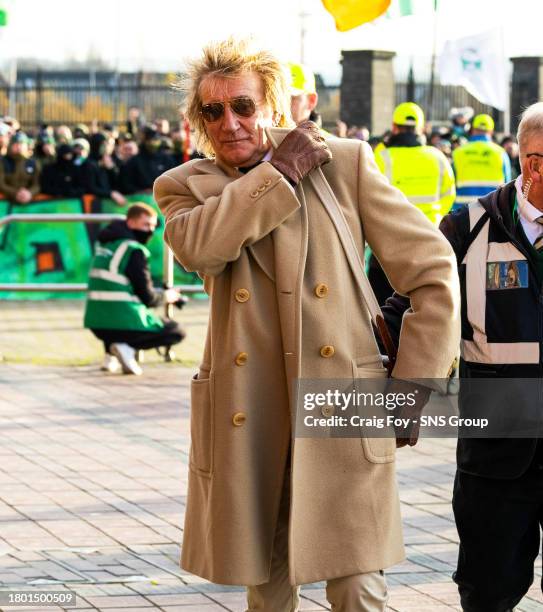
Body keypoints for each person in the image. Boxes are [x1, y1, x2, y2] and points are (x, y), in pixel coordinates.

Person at [153, 37, 459, 611]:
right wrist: (278, 173)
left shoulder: (344, 163)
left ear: (270, 105)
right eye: (213, 111)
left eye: (242, 105)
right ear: (198, 120)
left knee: (357, 586)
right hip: (250, 411)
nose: (230, 122)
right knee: (267, 589)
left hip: (345, 402)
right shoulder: (182, 187)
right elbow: (202, 247)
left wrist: (416, 383)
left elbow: (434, 271)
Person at [382, 101, 543, 612]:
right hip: (497, 449)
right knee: (488, 586)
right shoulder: (468, 228)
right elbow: (402, 307)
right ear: (533, 164)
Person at [83, 202, 185, 375]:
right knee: (175, 331)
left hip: (95, 323)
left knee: (113, 311)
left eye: (153, 226)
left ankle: (110, 355)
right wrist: (168, 296)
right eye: (145, 224)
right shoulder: (133, 250)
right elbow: (148, 298)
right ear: (130, 223)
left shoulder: (105, 246)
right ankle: (126, 347)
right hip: (122, 323)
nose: (150, 230)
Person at [369, 102, 456, 304]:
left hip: (387, 247)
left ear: (394, 127)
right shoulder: (438, 158)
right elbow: (448, 197)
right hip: (429, 241)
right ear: (422, 128)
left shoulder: (381, 156)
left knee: (383, 310)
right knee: (424, 308)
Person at [452, 113, 511, 210]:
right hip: (492, 210)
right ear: (491, 131)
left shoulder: (458, 152)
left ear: (473, 129)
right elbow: (508, 186)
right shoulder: (500, 153)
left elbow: (450, 184)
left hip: (462, 211)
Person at [118, 126, 175, 194]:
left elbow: (173, 180)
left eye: (155, 140)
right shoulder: (134, 161)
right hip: (141, 199)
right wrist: (140, 191)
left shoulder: (167, 159)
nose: (153, 143)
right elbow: (126, 185)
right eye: (150, 140)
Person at [0, 132, 40, 204]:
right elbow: (1, 184)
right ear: (11, 145)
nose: (19, 146)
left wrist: (29, 193)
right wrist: (16, 193)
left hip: (29, 204)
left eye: (22, 144)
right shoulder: (3, 162)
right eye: (16, 144)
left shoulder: (32, 163)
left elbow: (37, 184)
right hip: (6, 204)